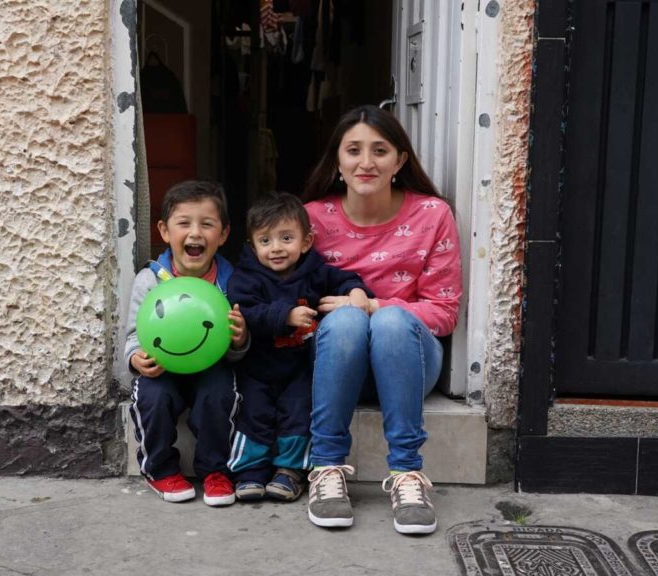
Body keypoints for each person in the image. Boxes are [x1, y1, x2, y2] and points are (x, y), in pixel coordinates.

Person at [300, 105, 462, 534]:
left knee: (388, 320)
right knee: (347, 321)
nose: (366, 162)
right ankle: (326, 467)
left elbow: (444, 312)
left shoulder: (432, 215)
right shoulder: (312, 219)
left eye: (380, 150)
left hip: (407, 361)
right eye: (353, 150)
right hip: (336, 363)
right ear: (337, 161)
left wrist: (375, 306)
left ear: (400, 160)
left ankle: (408, 473)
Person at [225, 192, 371, 503]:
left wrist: (357, 292)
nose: (276, 248)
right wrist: (286, 316)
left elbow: (344, 279)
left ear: (306, 242)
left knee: (299, 415)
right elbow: (246, 311)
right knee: (253, 415)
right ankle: (250, 471)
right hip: (257, 367)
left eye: (286, 238)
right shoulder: (246, 277)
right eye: (265, 240)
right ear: (252, 245)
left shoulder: (315, 272)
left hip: (299, 368)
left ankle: (290, 471)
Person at [123, 180, 248, 506]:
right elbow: (134, 335)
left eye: (207, 224)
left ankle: (216, 470)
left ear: (223, 234)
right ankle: (159, 469)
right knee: (152, 396)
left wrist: (239, 340)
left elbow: (235, 347)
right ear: (164, 231)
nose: (195, 233)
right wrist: (136, 358)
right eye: (184, 223)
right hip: (162, 367)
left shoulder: (232, 282)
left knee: (220, 394)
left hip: (212, 367)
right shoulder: (150, 279)